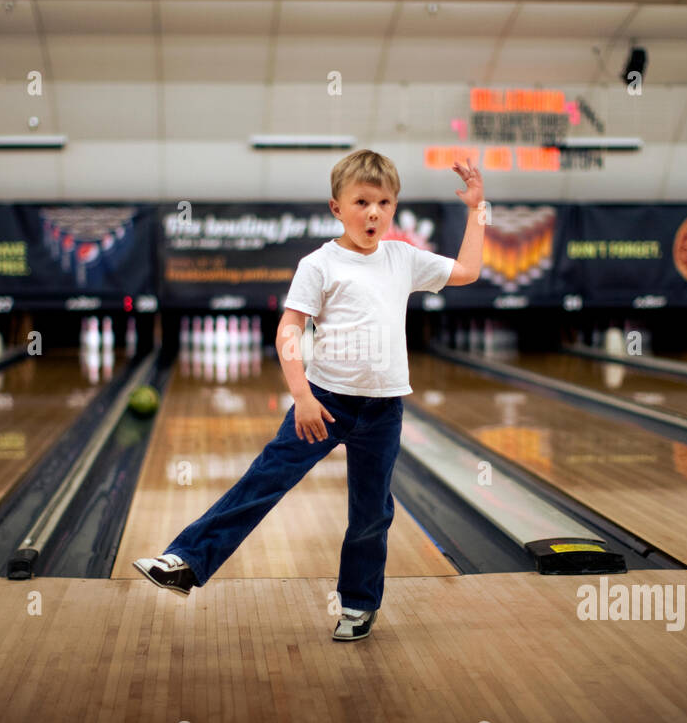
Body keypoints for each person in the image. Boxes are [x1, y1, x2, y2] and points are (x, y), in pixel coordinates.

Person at [135, 149, 486, 641]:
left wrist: (476, 209)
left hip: (384, 409)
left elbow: (468, 271)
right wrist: (300, 395)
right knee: (263, 482)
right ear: (336, 208)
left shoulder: (403, 258)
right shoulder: (319, 263)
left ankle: (358, 606)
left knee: (371, 514)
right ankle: (185, 560)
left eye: (384, 202)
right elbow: (290, 328)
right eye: (361, 201)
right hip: (324, 402)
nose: (373, 212)